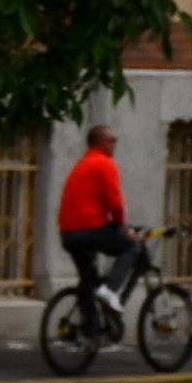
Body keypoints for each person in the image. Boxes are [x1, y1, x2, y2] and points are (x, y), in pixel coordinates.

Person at [57, 125, 140, 334]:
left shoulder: (81, 164)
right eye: (113, 140)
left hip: (69, 233)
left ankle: (90, 330)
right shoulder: (105, 163)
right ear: (102, 142)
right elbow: (115, 202)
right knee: (130, 247)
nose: (115, 145)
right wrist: (124, 227)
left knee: (88, 281)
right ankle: (110, 290)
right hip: (90, 228)